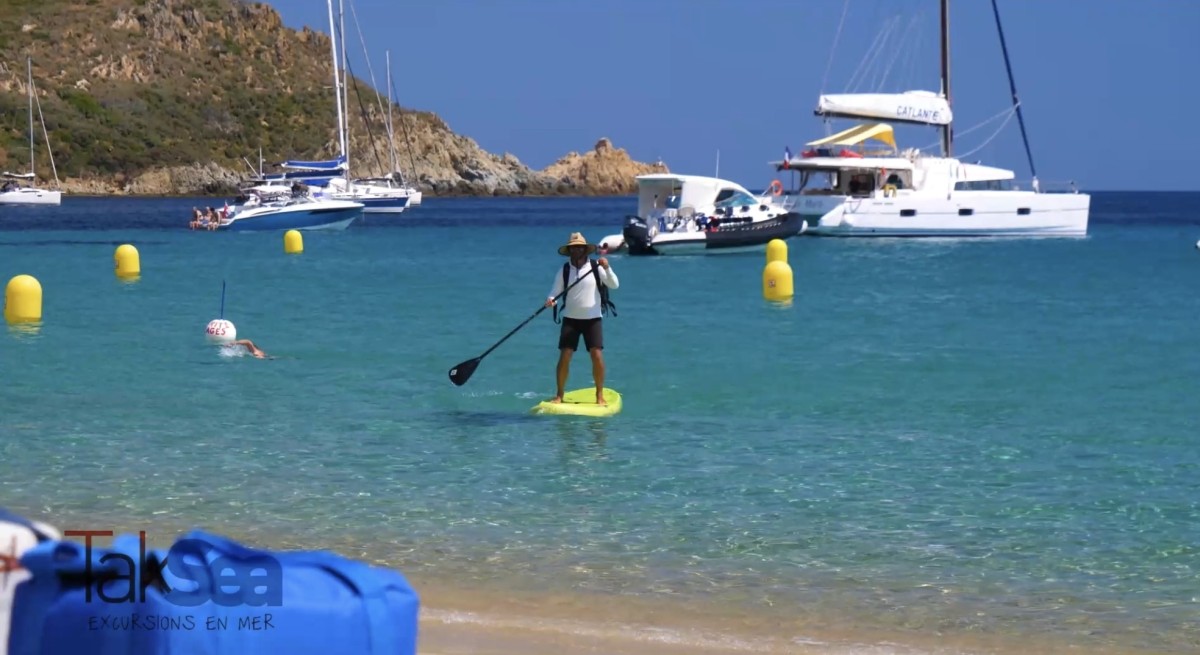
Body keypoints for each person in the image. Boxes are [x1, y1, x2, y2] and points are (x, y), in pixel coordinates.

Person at [544, 232, 619, 405]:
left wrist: (607, 268)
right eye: (573, 248)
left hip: (593, 319)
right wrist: (551, 300)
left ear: (585, 250)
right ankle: (559, 394)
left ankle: (599, 395)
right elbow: (555, 292)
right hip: (570, 319)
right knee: (565, 355)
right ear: (569, 251)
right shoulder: (564, 270)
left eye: (580, 247)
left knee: (597, 355)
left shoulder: (596, 267)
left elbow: (614, 285)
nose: (577, 250)